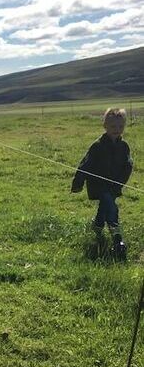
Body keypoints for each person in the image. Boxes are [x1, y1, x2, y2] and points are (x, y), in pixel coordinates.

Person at [71, 107, 133, 260]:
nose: (116, 130)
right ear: (105, 126)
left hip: (114, 185)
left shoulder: (124, 146)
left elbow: (128, 165)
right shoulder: (97, 146)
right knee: (112, 208)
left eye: (120, 126)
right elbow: (85, 163)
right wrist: (78, 182)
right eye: (113, 126)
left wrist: (120, 183)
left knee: (105, 206)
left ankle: (97, 226)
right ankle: (117, 240)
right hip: (98, 185)